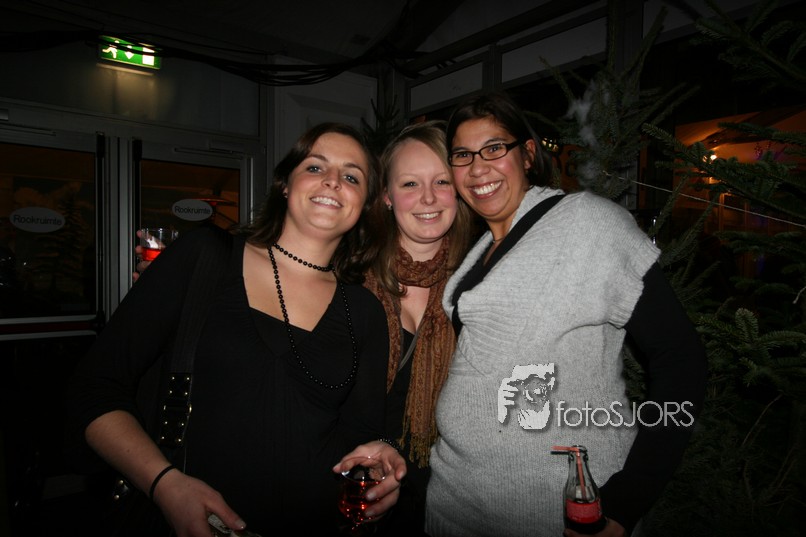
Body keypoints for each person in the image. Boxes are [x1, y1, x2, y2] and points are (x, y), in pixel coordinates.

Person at [67, 122, 407, 537]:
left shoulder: (364, 311)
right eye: (315, 167)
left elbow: (363, 437)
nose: (333, 181)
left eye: (351, 177)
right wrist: (165, 485)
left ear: (365, 204)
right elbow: (94, 388)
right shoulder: (204, 258)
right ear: (285, 185)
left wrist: (381, 463)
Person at [425, 92, 708, 537]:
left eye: (494, 148)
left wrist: (632, 495)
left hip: (554, 513)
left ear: (528, 154)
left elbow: (682, 359)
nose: (478, 168)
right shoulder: (478, 250)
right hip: (454, 502)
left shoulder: (588, 224)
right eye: (463, 155)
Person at [361, 121, 474, 535]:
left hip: (448, 496)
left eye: (441, 181)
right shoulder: (349, 279)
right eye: (410, 183)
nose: (428, 197)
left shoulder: (478, 287)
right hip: (364, 482)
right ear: (387, 195)